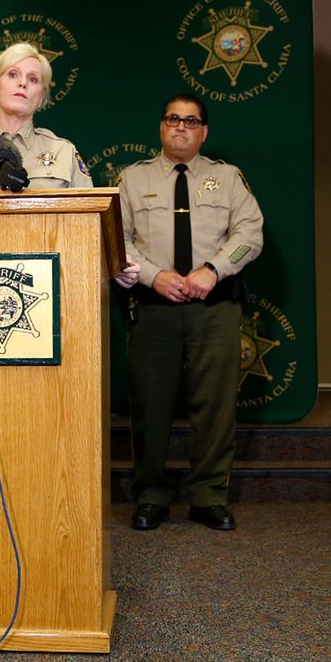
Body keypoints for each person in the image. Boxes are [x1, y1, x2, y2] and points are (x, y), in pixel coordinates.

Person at [119, 92, 264, 531]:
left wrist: (213, 270)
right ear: (161, 127)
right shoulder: (131, 178)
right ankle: (151, 496)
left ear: (204, 131)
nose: (181, 127)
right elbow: (116, 238)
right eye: (172, 119)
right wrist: (151, 275)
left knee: (215, 406)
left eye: (191, 121)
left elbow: (250, 232)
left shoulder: (228, 178)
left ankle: (208, 496)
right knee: (150, 405)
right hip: (154, 308)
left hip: (213, 307)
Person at [0, 41, 93, 189]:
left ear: (41, 98)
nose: (23, 83)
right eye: (13, 74)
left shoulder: (64, 152)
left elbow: (92, 208)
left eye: (33, 79)